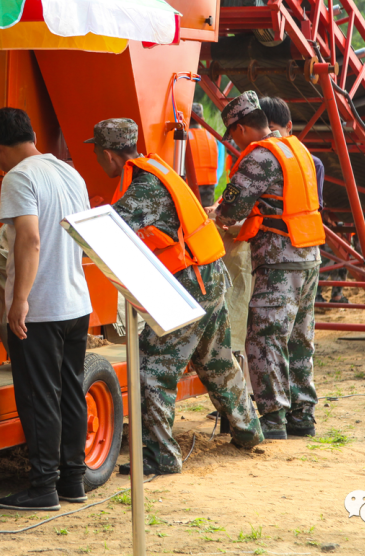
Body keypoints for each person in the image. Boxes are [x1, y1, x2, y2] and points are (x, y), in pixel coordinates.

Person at [87, 118, 262, 475]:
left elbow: (104, 234)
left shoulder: (143, 188)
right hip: (210, 275)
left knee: (152, 365)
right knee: (216, 360)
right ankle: (248, 430)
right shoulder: (158, 169)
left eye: (96, 153)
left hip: (191, 283)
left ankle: (161, 457)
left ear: (108, 154)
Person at [0, 107, 93, 512]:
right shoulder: (69, 172)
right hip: (75, 301)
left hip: (42, 308)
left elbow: (29, 239)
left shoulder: (19, 177)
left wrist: (20, 300)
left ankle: (43, 488)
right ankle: (73, 480)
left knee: (38, 396)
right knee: (70, 393)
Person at [210, 91, 323, 440]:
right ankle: (302, 415)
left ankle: (273, 419)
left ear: (242, 128)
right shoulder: (295, 148)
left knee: (265, 339)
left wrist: (218, 214)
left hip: (279, 260)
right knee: (300, 338)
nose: (234, 143)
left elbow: (231, 210)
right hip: (308, 256)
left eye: (233, 135)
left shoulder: (260, 157)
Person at [258, 97, 343, 302]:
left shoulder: (312, 164)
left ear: (289, 127)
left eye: (272, 129)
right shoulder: (260, 158)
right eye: (263, 131)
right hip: (276, 253)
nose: (268, 137)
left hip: (289, 252)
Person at [187, 103, 220, 207]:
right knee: (205, 215)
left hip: (190, 183)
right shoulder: (211, 136)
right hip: (209, 183)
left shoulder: (183, 136)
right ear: (202, 119)